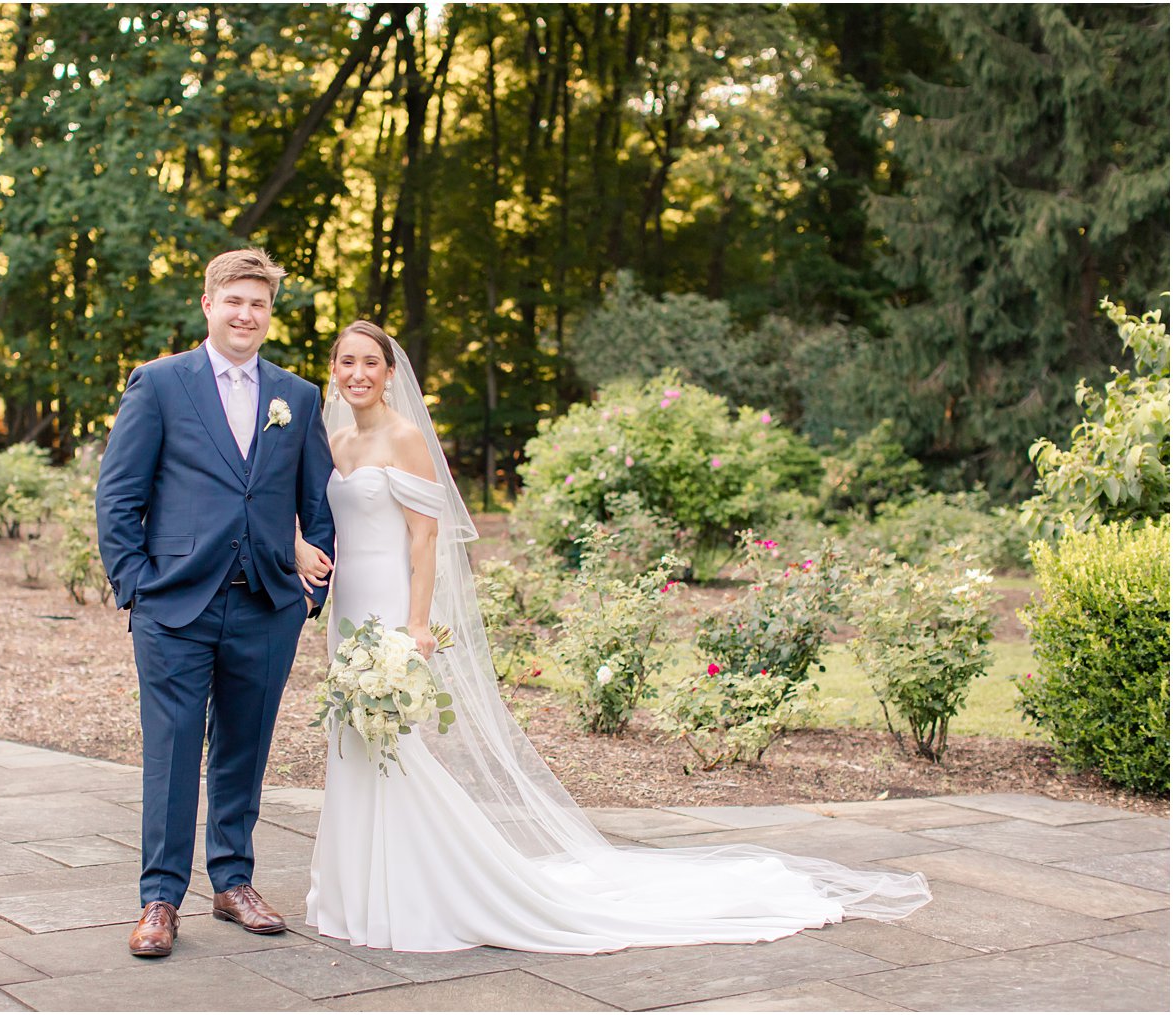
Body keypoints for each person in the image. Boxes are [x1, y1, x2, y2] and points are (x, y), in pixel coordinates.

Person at [295, 320, 931, 954]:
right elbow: (322, 517)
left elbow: (424, 538)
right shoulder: (336, 438)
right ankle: (357, 890)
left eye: (370, 363)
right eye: (346, 361)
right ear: (334, 368)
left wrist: (416, 624)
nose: (357, 374)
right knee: (352, 742)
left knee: (392, 746)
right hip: (350, 607)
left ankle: (423, 890)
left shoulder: (406, 439)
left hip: (391, 607)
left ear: (390, 373)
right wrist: (303, 549)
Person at [96, 248, 336, 958]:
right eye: (235, 300)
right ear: (209, 304)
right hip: (175, 604)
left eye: (259, 303)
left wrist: (308, 589)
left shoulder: (297, 395)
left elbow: (316, 503)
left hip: (266, 604)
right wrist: (137, 584)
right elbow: (119, 496)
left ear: (269, 314)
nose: (246, 314)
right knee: (170, 752)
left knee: (243, 748)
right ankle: (160, 897)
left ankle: (233, 882)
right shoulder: (162, 383)